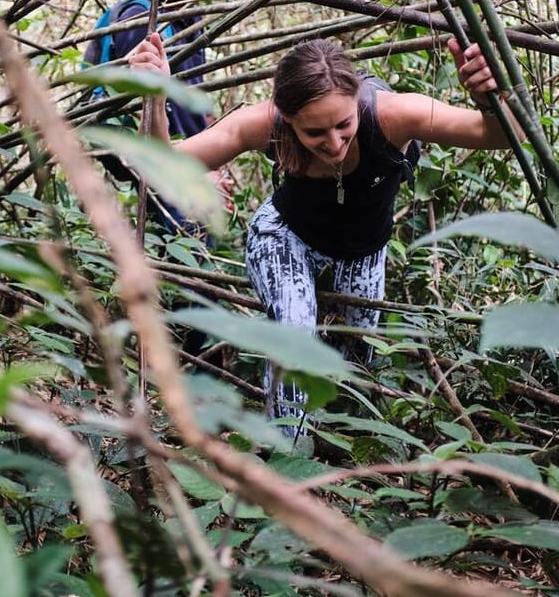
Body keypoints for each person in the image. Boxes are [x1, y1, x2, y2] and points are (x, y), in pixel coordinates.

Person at [129, 34, 521, 435]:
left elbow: (504, 135)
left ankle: (335, 450)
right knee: (294, 336)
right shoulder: (265, 124)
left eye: (344, 124)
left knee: (354, 365)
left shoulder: (394, 115)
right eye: (315, 132)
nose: (333, 143)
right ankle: (286, 456)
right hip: (285, 236)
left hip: (362, 250)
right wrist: (156, 99)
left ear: (356, 102)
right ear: (288, 118)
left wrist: (488, 97)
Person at [86, 0, 229, 235]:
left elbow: (194, 96)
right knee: (177, 245)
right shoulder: (141, 19)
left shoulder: (190, 21)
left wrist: (215, 162)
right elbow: (151, 105)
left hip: (191, 161)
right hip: (165, 164)